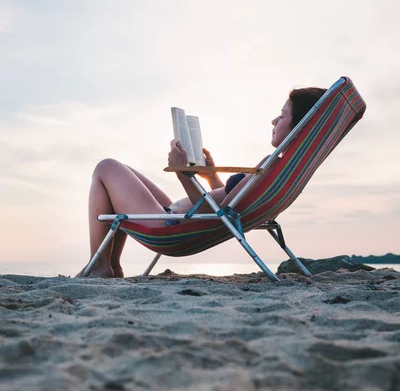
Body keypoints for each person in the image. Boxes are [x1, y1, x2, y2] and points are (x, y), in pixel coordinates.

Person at [77, 86, 326, 278]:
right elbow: (229, 206)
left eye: (282, 116)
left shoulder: (269, 167)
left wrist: (182, 171)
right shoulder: (276, 169)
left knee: (106, 167)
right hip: (178, 217)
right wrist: (209, 176)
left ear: (299, 127)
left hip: (173, 226)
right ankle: (112, 266)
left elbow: (214, 212)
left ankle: (99, 265)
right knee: (121, 172)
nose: (274, 121)